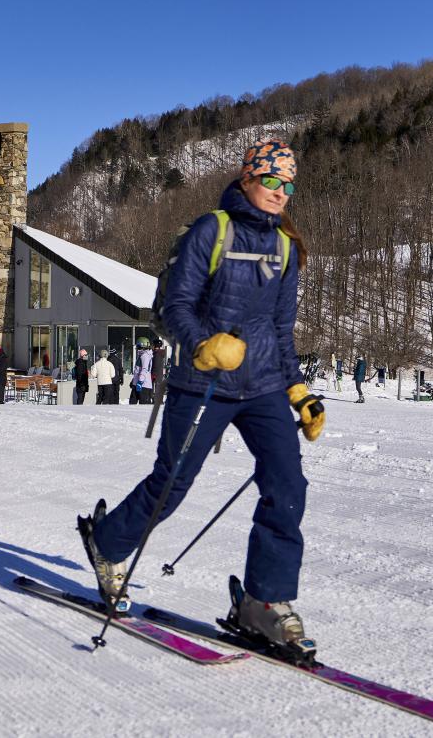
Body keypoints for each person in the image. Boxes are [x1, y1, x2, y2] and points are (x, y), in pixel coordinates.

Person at [79, 138, 325, 658]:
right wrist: (203, 344)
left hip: (260, 388)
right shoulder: (210, 230)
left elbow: (281, 332)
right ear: (248, 179)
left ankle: (264, 601)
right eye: (272, 180)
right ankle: (109, 544)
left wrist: (299, 391)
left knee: (287, 485)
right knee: (172, 483)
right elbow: (176, 308)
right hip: (203, 383)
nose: (281, 192)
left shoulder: (284, 248)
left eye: (289, 184)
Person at [133, 337, 154, 404]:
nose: (137, 348)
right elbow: (137, 370)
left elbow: (144, 369)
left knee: (143, 404)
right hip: (138, 383)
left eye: (138, 346)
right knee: (132, 402)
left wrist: (140, 382)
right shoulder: (142, 355)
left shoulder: (145, 356)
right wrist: (133, 380)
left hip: (143, 385)